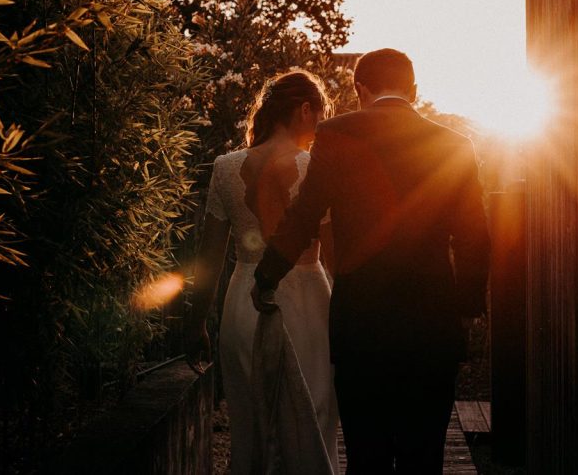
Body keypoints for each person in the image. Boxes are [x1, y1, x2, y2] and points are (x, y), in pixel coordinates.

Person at [252, 49, 491, 474]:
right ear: (414, 91)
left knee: (366, 455)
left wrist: (266, 275)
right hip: (430, 327)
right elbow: (474, 236)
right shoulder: (454, 144)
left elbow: (303, 217)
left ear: (360, 89)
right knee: (424, 456)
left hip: (361, 324)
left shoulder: (336, 133)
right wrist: (469, 311)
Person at [185, 70, 339, 474]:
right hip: (307, 303)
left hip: (243, 304)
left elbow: (209, 258)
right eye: (320, 114)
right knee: (313, 417)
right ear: (306, 111)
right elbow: (336, 256)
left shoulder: (225, 167)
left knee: (250, 424)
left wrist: (196, 320)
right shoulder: (315, 168)